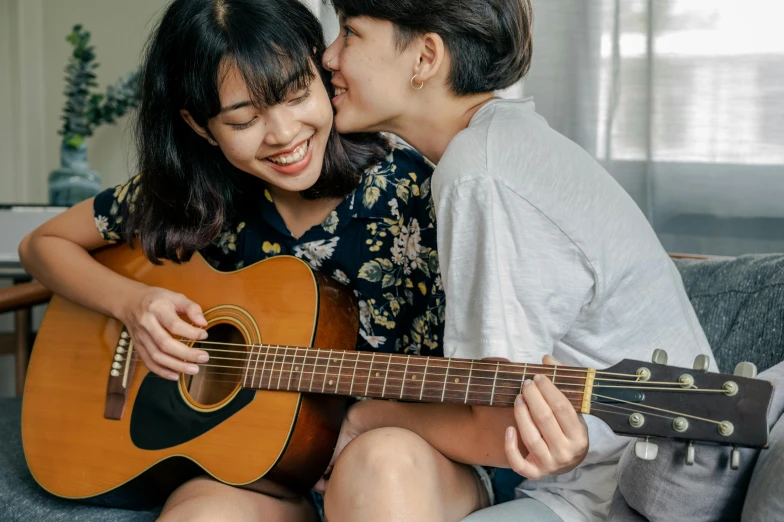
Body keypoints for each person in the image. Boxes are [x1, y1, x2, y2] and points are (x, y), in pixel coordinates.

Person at [19, 1, 588, 521]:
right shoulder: (192, 194)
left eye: (297, 94)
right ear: (201, 126)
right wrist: (134, 303)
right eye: (243, 120)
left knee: (379, 467)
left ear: (324, 73)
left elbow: (493, 381)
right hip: (263, 478)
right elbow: (41, 245)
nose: (285, 134)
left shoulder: (421, 191)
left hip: (409, 463)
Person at [320, 1, 715, 521]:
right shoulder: (498, 146)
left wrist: (366, 415)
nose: (328, 57)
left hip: (620, 494)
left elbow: (499, 427)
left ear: (425, 58)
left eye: (349, 33)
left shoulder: (480, 174)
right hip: (577, 479)